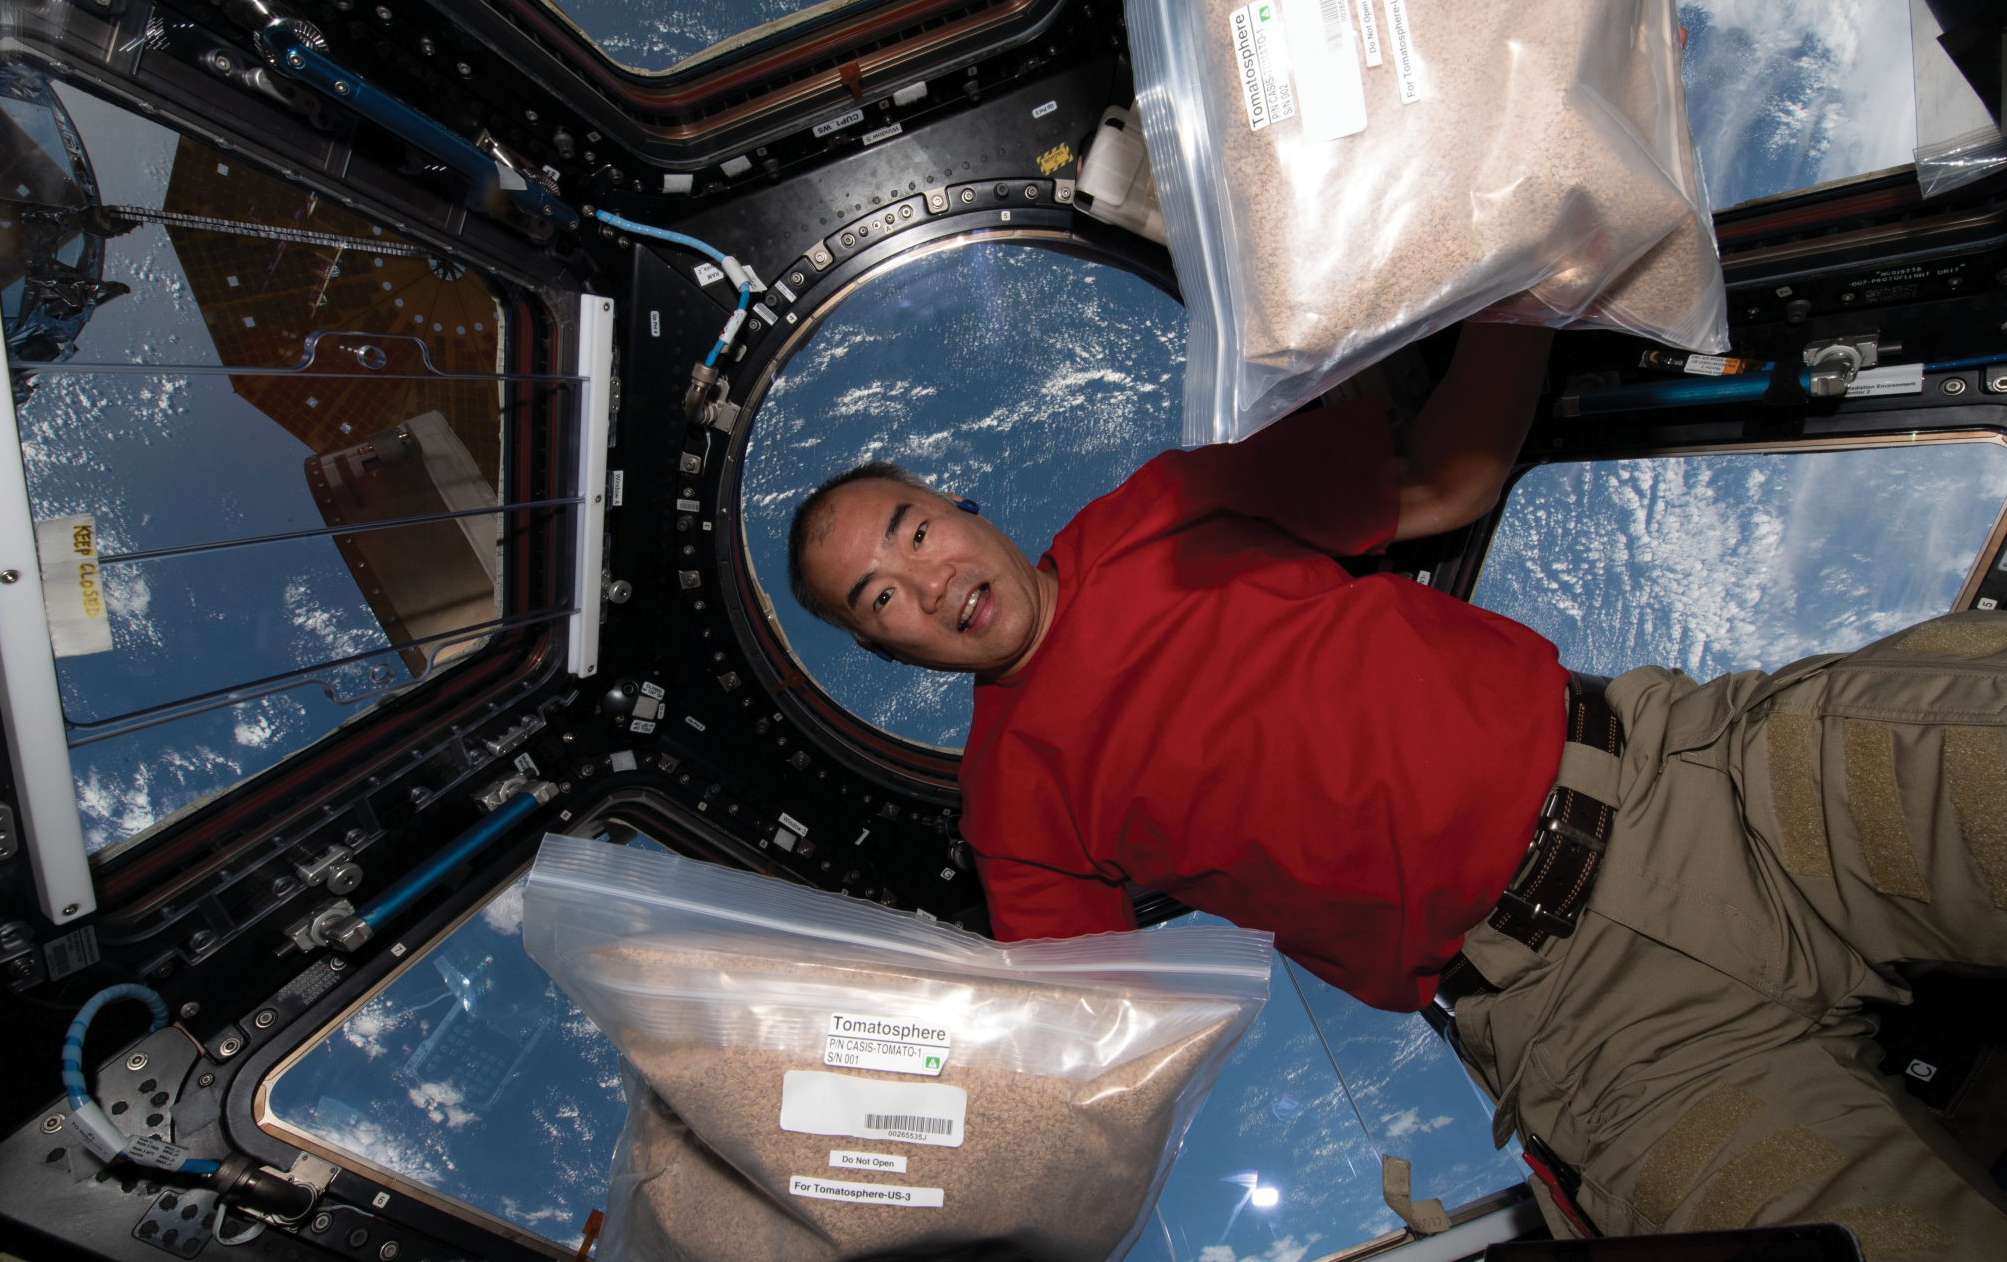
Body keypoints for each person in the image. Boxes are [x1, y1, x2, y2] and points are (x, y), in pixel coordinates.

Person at [786, 322, 2007, 1250]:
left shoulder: (1159, 511)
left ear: (954, 502)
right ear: (888, 651)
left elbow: (1439, 483)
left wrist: (1523, 290)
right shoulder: (1014, 812)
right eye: (879, 599)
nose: (925, 580)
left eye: (907, 529)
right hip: (1598, 1039)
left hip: (1711, 793)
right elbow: (1092, 1056)